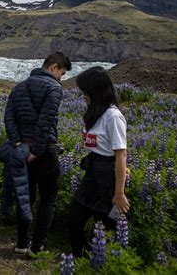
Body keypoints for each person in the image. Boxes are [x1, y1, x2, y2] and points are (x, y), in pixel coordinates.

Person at [4, 52, 72, 256]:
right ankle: (37, 246)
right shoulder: (54, 88)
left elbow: (9, 118)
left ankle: (22, 243)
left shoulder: (18, 87)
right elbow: (46, 122)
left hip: (21, 150)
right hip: (44, 151)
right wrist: (36, 150)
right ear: (53, 67)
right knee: (48, 198)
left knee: (26, 196)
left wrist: (18, 143)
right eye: (62, 72)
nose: (61, 77)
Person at [68, 66, 130, 257]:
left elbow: (121, 155)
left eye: (85, 91)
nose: (83, 95)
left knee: (106, 226)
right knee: (73, 221)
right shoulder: (96, 113)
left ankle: (103, 264)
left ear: (96, 90)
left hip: (107, 178)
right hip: (93, 172)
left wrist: (119, 193)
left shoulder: (113, 116)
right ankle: (82, 260)